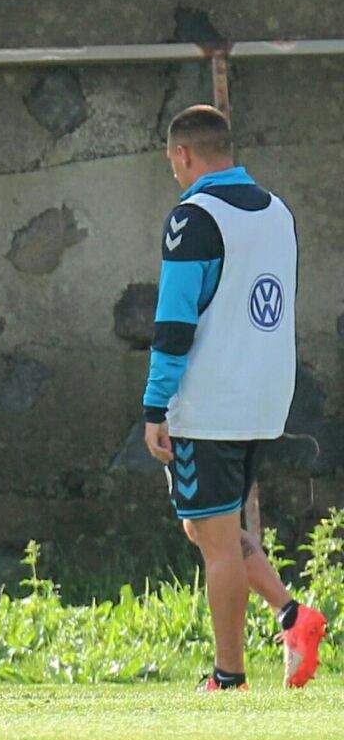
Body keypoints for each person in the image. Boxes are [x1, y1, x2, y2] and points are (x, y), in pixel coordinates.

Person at [142, 104, 325, 690]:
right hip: (264, 398)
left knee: (214, 543)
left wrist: (155, 406)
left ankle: (229, 677)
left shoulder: (192, 217)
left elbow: (175, 322)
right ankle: (294, 617)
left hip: (210, 400)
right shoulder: (278, 212)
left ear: (182, 154)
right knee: (208, 528)